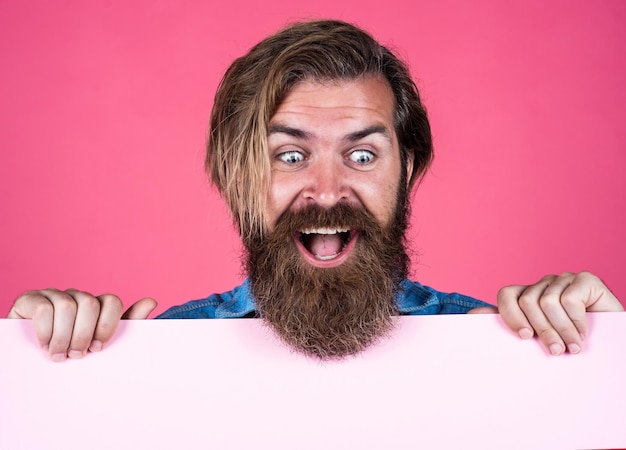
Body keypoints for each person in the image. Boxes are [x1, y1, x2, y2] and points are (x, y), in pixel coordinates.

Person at [7, 20, 623, 361]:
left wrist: (605, 357)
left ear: (406, 171)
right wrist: (32, 375)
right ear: (236, 175)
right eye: (291, 155)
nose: (328, 191)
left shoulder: (505, 350)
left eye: (361, 154)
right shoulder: (157, 356)